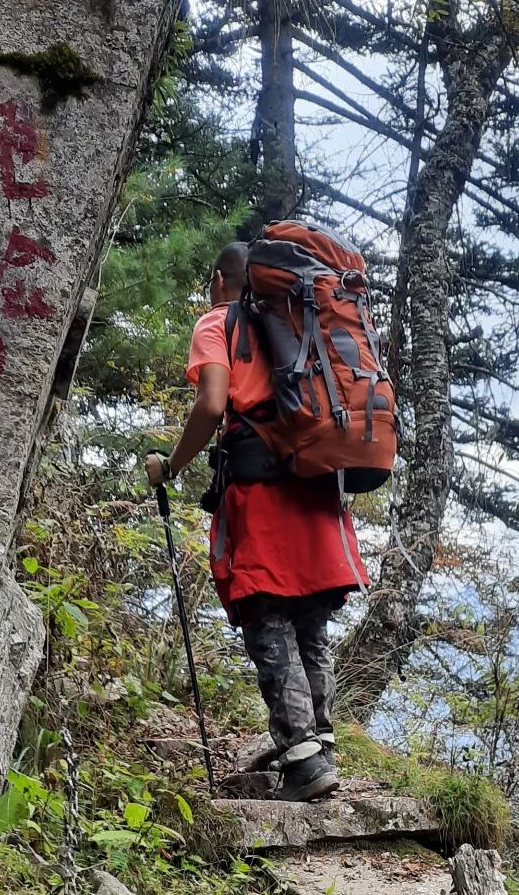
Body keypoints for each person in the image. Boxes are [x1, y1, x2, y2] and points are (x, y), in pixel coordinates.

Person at [144, 240, 369, 801]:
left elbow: (214, 403)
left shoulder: (219, 322)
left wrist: (170, 466)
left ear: (222, 280)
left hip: (260, 489)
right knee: (312, 619)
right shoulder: (299, 319)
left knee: (267, 615)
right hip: (317, 483)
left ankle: (302, 762)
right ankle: (321, 744)